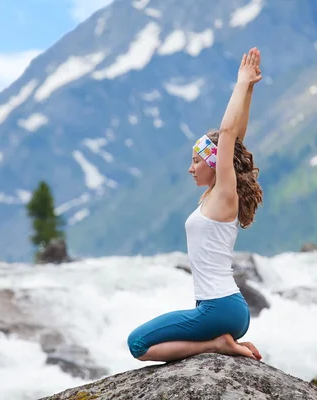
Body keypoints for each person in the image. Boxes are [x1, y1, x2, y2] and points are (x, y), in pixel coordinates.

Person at [127, 47, 265, 362]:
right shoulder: (218, 193)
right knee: (144, 341)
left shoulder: (224, 192)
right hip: (225, 308)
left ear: (215, 164)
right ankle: (219, 340)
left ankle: (216, 345)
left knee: (137, 344)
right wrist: (250, 91)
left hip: (219, 308)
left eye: (196, 161)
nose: (191, 169)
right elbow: (237, 139)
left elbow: (229, 134)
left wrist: (241, 82)